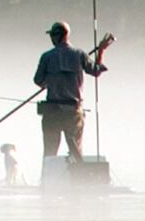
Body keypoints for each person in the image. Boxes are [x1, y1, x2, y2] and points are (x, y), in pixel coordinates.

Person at [34, 23, 111, 159]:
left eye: (52, 35)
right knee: (76, 153)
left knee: (50, 154)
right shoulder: (79, 54)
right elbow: (96, 70)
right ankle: (78, 178)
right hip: (74, 113)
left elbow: (38, 80)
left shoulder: (46, 57)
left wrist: (50, 83)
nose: (51, 38)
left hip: (52, 113)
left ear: (58, 36)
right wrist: (101, 51)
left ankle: (48, 179)